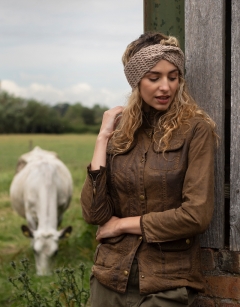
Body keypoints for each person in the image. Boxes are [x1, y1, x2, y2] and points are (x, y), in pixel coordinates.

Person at [80, 32, 217, 307]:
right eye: (154, 78)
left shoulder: (196, 131)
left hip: (168, 283)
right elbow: (94, 213)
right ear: (136, 81)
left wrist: (122, 224)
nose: (165, 87)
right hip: (110, 279)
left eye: (173, 76)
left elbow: (196, 216)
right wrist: (102, 138)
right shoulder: (120, 134)